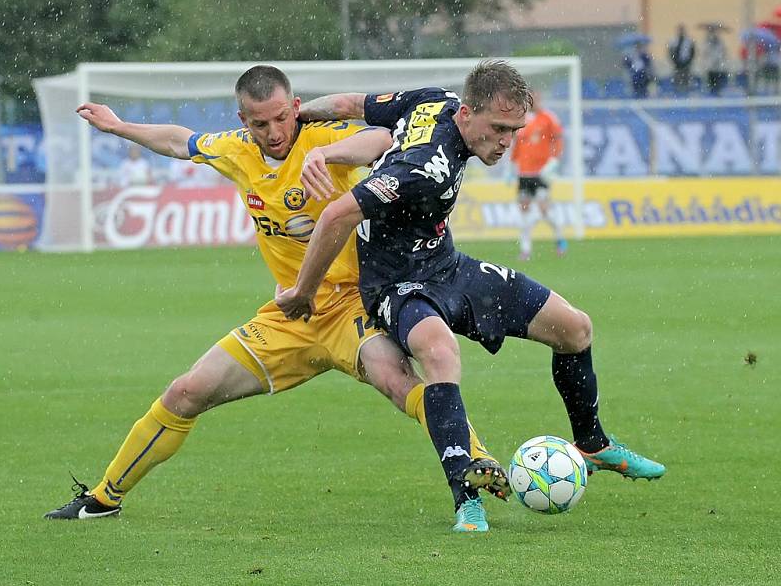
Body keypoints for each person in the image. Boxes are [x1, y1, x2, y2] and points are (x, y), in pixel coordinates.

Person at [44, 65, 510, 523]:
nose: (274, 132)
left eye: (282, 117)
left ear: (296, 107)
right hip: (290, 315)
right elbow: (179, 142)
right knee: (186, 391)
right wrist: (120, 127)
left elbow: (383, 140)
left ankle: (475, 460)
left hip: (354, 304)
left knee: (398, 382)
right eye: (260, 123)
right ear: (244, 121)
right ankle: (104, 497)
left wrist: (326, 156)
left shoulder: (319, 136)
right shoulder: (237, 150)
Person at [276, 59, 666, 533]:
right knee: (440, 350)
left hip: (447, 266)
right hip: (395, 285)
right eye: (499, 128)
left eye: (515, 129)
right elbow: (338, 215)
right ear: (467, 115)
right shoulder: (424, 168)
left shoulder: (433, 99)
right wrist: (303, 291)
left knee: (575, 328)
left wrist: (300, 120)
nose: (507, 141)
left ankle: (592, 443)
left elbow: (349, 104)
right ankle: (467, 499)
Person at [508, 91, 566, 261]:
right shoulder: (520, 120)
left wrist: (554, 160)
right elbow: (516, 145)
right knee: (524, 208)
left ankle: (559, 238)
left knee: (543, 207)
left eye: (536, 98)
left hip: (541, 172)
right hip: (524, 173)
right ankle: (526, 249)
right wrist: (512, 166)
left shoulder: (548, 118)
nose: (534, 101)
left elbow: (558, 140)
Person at [667, 24, 695, 94]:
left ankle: (686, 95)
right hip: (676, 66)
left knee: (686, 82)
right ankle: (677, 94)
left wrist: (687, 62)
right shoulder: (673, 41)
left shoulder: (688, 41)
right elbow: (670, 53)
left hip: (686, 65)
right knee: (677, 82)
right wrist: (676, 62)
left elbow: (692, 53)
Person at [701, 28, 728, 96]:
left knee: (718, 84)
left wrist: (718, 59)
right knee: (710, 83)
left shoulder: (720, 42)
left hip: (718, 67)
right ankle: (711, 94)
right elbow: (704, 53)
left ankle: (717, 94)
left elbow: (723, 53)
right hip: (710, 67)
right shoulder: (706, 42)